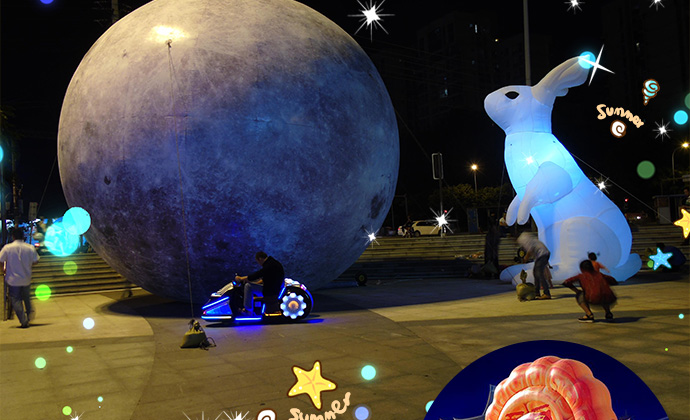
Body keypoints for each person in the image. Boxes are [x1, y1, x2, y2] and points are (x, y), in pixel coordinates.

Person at [0, 228, 40, 328]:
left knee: (16, 300)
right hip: (26, 278)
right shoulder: (30, 247)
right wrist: (27, 265)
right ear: (23, 236)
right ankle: (29, 315)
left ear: (13, 236)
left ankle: (23, 320)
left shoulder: (7, 248)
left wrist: (3, 269)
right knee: (27, 298)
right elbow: (36, 260)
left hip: (13, 279)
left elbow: (1, 259)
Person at [235, 251, 284, 316]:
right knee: (250, 286)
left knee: (248, 286)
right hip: (274, 289)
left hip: (270, 291)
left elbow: (257, 275)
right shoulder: (273, 263)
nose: (259, 264)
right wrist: (255, 283)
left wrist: (241, 278)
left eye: (258, 262)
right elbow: (267, 278)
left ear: (260, 259)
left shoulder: (269, 265)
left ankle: (248, 310)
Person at [517, 233, 551, 299]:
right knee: (536, 273)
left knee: (539, 274)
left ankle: (547, 293)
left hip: (542, 255)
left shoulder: (523, 239)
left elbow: (530, 250)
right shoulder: (528, 237)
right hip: (542, 255)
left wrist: (525, 258)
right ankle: (536, 292)